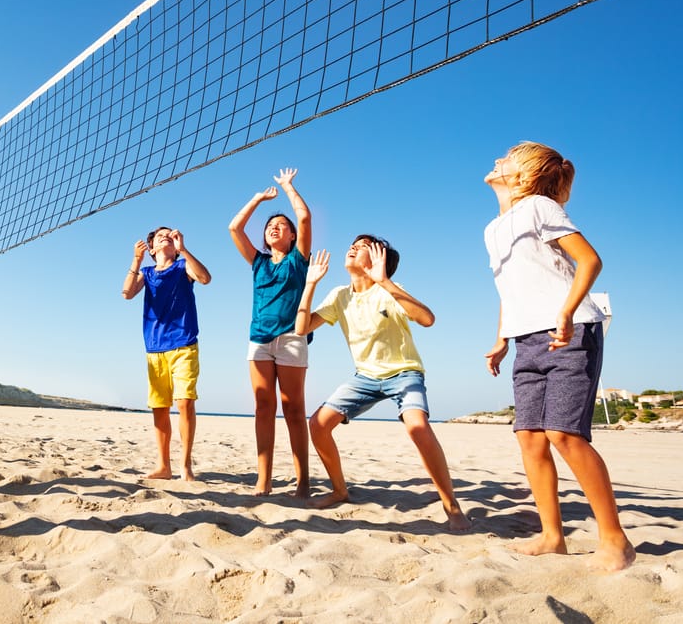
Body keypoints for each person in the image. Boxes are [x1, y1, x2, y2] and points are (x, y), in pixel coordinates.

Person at [482, 140, 635, 571]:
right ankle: (552, 536)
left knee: (563, 434)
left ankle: (615, 540)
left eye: (507, 158)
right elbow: (510, 290)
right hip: (526, 339)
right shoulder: (493, 229)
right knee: (530, 438)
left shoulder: (539, 207)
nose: (497, 160)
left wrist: (566, 312)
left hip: (571, 330)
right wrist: (501, 339)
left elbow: (590, 260)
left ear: (525, 174)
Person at [295, 238, 470, 530]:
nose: (353, 246)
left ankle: (451, 506)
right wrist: (310, 283)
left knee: (417, 427)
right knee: (318, 424)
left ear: (379, 258)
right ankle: (339, 491)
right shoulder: (339, 295)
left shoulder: (388, 290)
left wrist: (385, 281)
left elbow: (427, 319)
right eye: (353, 243)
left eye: (363, 244)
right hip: (365, 376)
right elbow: (301, 329)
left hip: (404, 373)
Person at [229, 168, 312, 496]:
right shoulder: (259, 262)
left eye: (281, 225)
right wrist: (257, 199)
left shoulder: (298, 260)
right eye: (270, 226)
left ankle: (302, 482)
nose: (275, 227)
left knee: (293, 409)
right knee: (263, 406)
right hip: (259, 339)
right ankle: (263, 480)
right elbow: (234, 228)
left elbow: (303, 217)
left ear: (292, 237)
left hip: (292, 338)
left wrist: (288, 187)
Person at [122, 227, 212, 481]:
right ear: (151, 248)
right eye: (159, 235)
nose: (165, 236)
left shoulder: (183, 266)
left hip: (184, 344)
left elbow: (205, 278)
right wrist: (136, 260)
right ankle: (164, 466)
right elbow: (127, 293)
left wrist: (184, 249)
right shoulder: (147, 272)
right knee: (160, 408)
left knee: (184, 402)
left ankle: (185, 465)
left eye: (169, 235)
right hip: (155, 348)